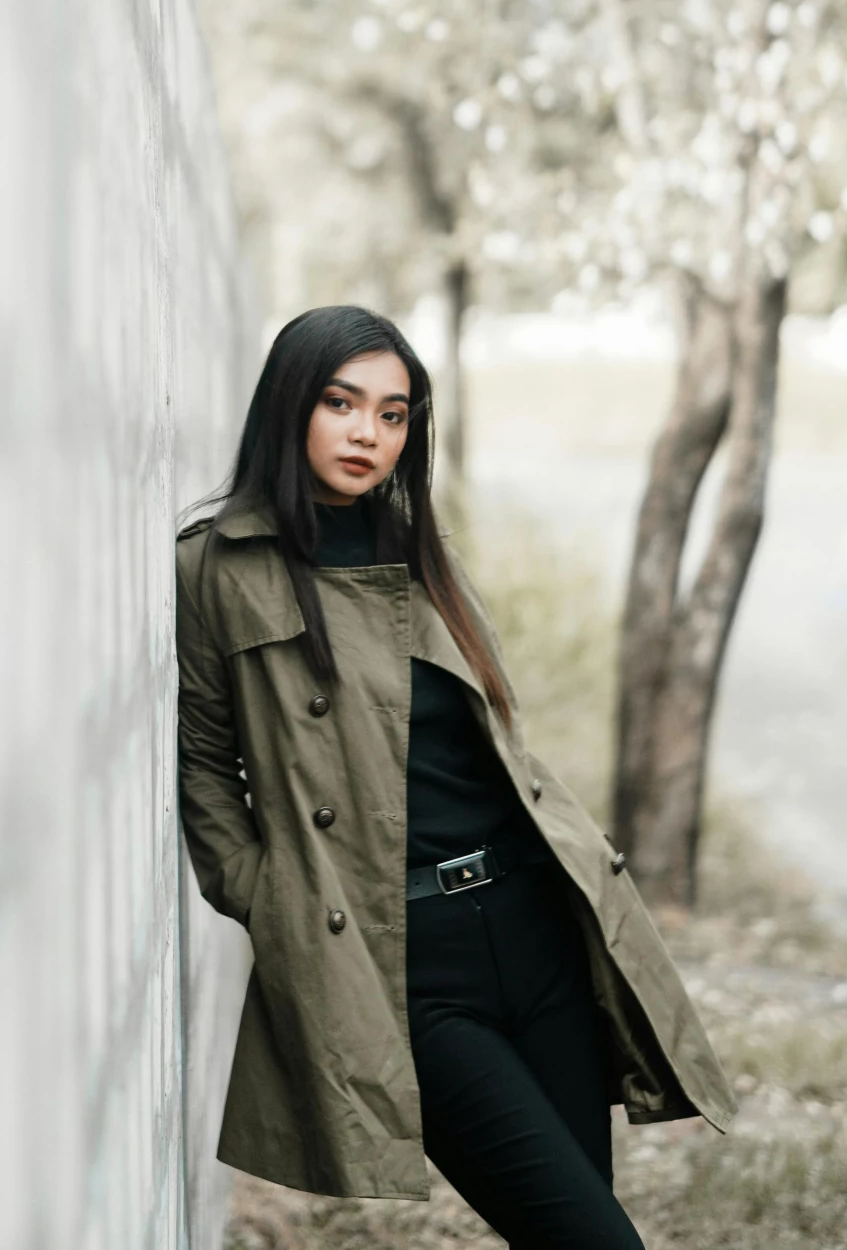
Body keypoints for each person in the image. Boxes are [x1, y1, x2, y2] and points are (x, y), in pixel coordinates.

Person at [175, 304, 733, 1249]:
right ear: (286, 407)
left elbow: (490, 739)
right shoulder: (219, 568)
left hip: (533, 925)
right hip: (398, 964)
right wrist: (262, 891)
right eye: (340, 403)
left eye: (392, 414)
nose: (367, 433)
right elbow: (202, 757)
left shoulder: (419, 549)